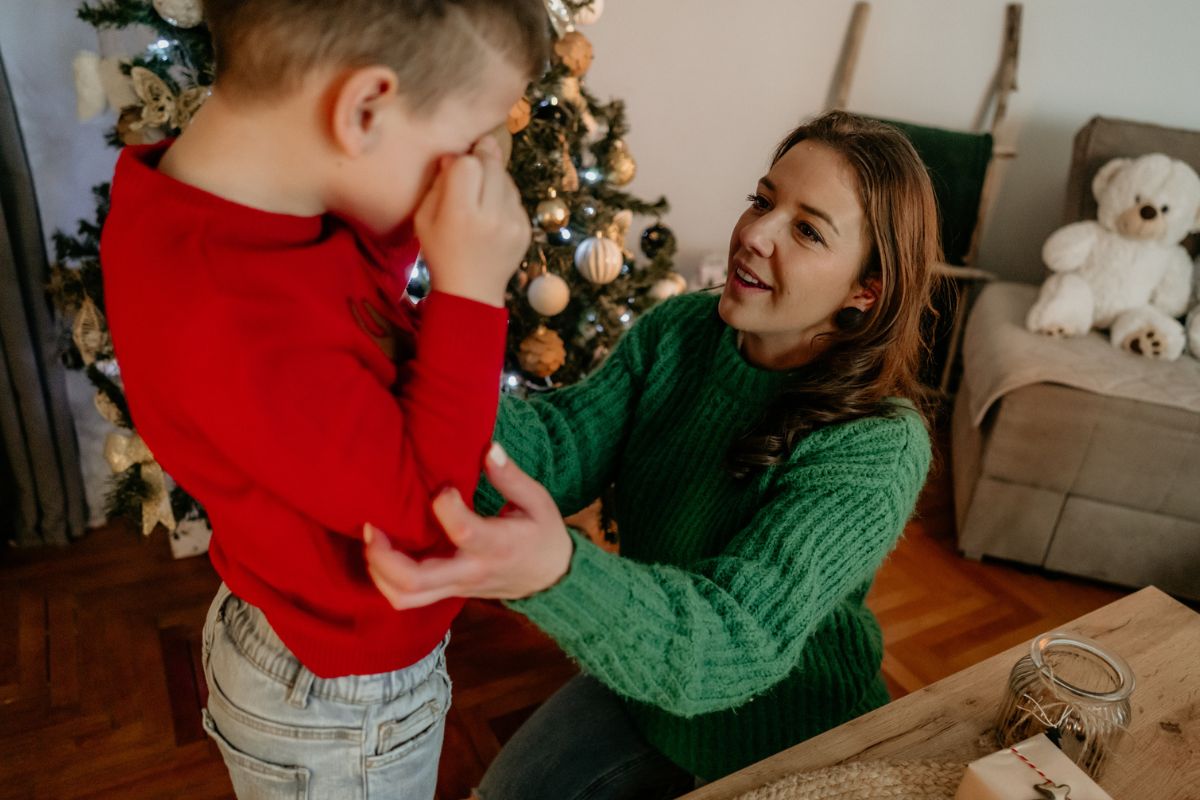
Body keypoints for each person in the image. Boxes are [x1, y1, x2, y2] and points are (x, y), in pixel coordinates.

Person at [364, 110, 941, 798]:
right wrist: (432, 352)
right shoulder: (682, 329)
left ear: (865, 290)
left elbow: (734, 640)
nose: (754, 235)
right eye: (763, 200)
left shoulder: (878, 441)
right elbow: (556, 448)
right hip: (648, 677)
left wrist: (556, 572)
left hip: (793, 737)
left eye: (808, 230)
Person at [100, 1, 548, 797]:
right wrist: (472, 289)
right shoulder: (226, 316)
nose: (471, 173)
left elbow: (350, 300)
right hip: (340, 705)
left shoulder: (238, 209)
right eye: (456, 149)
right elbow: (424, 514)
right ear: (365, 108)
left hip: (305, 635)